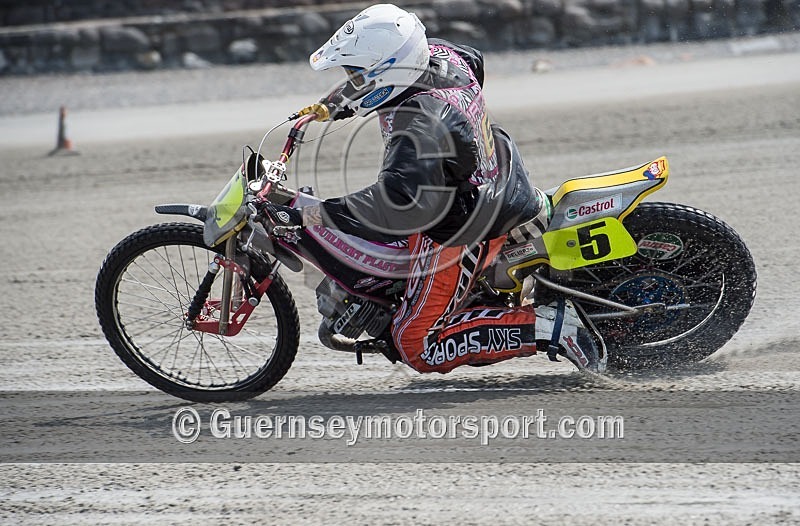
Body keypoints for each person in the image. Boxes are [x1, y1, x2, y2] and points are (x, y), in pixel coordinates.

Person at [264, 3, 605, 373]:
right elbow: (473, 60)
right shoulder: (442, 55)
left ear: (389, 70)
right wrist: (333, 105)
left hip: (460, 229)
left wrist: (312, 215)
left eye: (356, 75)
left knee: (416, 344)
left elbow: (393, 202)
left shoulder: (421, 127)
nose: (352, 81)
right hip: (497, 172)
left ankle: (551, 327)